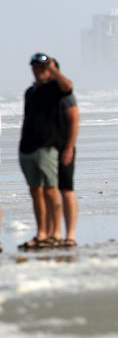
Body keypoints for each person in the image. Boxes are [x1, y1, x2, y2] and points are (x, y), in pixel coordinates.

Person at [18, 53, 73, 250]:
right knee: (35, 191)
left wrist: (53, 70)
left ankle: (55, 233)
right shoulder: (30, 92)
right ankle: (42, 233)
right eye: (35, 67)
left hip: (47, 146)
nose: (38, 70)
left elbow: (68, 87)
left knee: (51, 190)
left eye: (42, 67)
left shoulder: (55, 88)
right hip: (27, 147)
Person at [54, 59, 79, 247]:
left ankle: (69, 234)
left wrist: (69, 147)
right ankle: (52, 232)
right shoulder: (34, 93)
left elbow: (74, 121)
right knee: (47, 191)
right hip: (41, 149)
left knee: (66, 189)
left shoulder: (65, 95)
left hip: (64, 147)